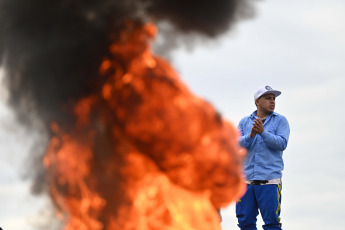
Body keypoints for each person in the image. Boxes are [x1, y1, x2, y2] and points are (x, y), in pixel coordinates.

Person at [236, 86, 290, 230]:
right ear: (257, 102)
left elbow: (282, 144)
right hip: (245, 183)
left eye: (273, 99)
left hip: (270, 182)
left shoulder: (281, 121)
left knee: (272, 223)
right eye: (268, 98)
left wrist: (263, 132)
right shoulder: (244, 122)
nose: (272, 101)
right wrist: (251, 135)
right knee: (245, 223)